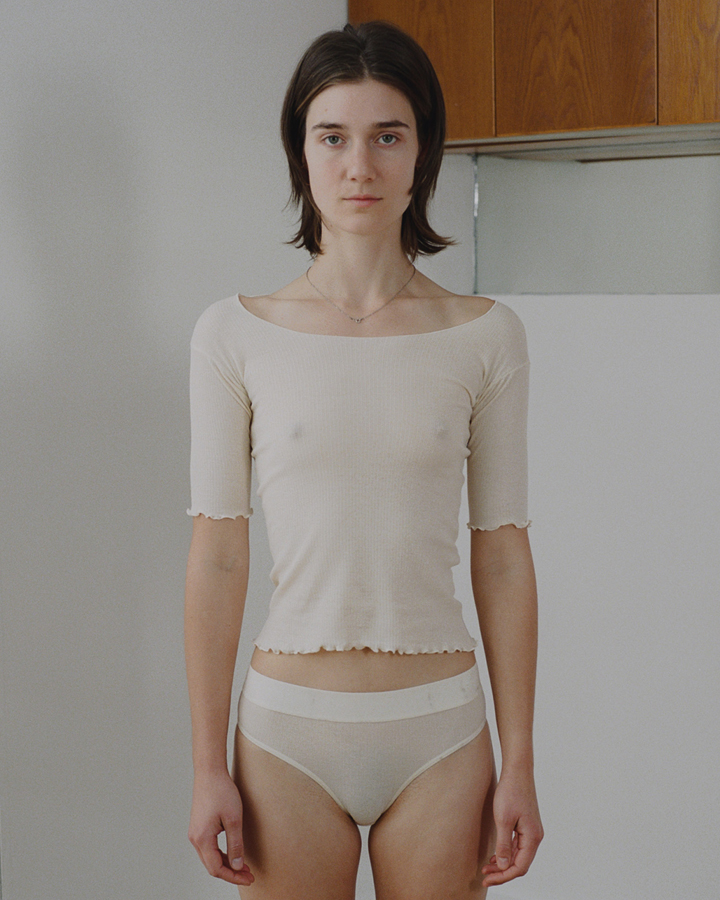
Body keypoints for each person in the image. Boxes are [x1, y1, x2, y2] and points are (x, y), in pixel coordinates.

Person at [184, 20, 543, 899]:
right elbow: (219, 555)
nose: (359, 166)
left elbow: (502, 555)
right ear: (300, 151)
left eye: (388, 136)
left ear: (423, 153)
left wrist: (522, 761)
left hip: (442, 731)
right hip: (285, 734)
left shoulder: (486, 335)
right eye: (332, 137)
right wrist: (205, 764)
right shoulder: (232, 334)